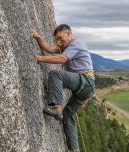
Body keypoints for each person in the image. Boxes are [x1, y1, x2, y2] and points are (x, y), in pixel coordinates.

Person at [31, 24, 95, 152]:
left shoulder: (76, 43)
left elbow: (61, 59)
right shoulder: (66, 47)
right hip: (86, 87)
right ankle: (74, 149)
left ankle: (57, 109)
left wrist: (39, 58)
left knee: (55, 74)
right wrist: (38, 38)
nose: (59, 42)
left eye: (61, 38)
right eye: (57, 40)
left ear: (69, 34)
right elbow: (49, 48)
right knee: (67, 115)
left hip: (85, 82)